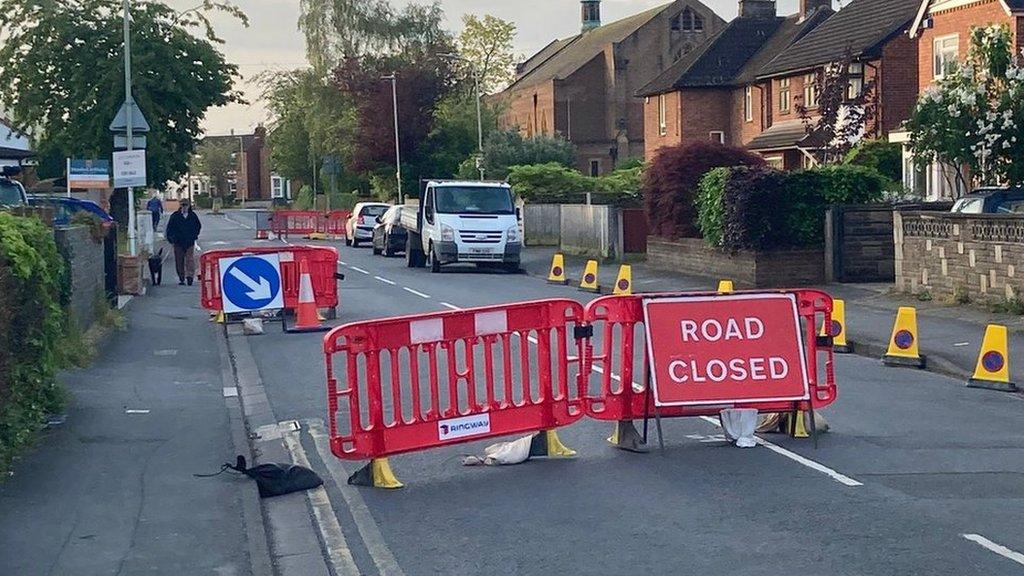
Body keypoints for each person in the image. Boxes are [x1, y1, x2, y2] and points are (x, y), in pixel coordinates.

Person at [165, 199, 202, 286]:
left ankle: (190, 277)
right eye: (182, 205)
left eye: (185, 205)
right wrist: (172, 238)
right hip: (178, 242)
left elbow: (198, 226)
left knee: (190, 260)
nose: (184, 207)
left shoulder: (192, 216)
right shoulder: (175, 216)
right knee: (179, 260)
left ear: (189, 206)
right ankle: (181, 278)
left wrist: (194, 235)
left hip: (189, 241)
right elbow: (170, 228)